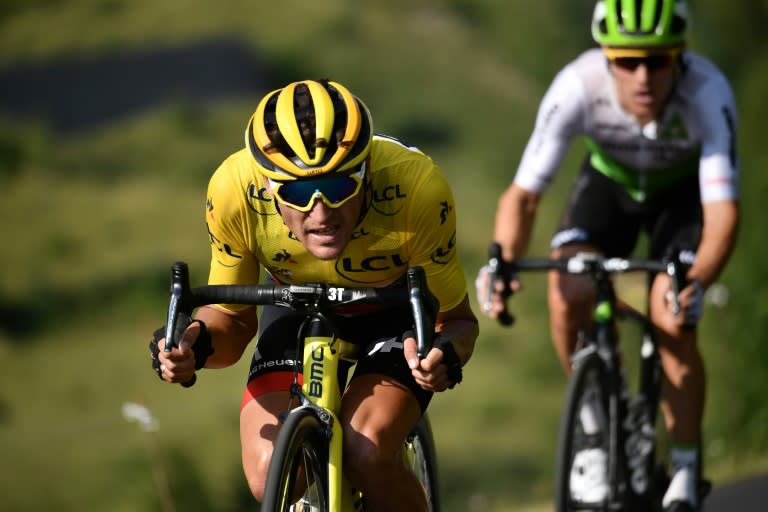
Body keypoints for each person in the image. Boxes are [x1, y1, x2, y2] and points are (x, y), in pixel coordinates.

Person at [148, 79, 478, 511]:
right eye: (299, 192)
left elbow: (455, 321)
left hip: (391, 311)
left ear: (365, 171)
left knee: (366, 449)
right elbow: (232, 323)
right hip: (296, 307)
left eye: (339, 187)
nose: (321, 214)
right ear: (267, 186)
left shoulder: (416, 188)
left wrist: (443, 355)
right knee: (270, 473)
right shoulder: (232, 192)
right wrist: (193, 344)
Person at [476, 1, 738, 511]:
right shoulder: (577, 85)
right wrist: (502, 262)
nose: (642, 77)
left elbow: (724, 212)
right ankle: (595, 431)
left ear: (679, 58)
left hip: (681, 198)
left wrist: (697, 280)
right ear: (606, 58)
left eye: (657, 62)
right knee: (567, 287)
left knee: (671, 311)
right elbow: (523, 195)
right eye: (626, 61)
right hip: (609, 188)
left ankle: (685, 466)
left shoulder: (708, 92)